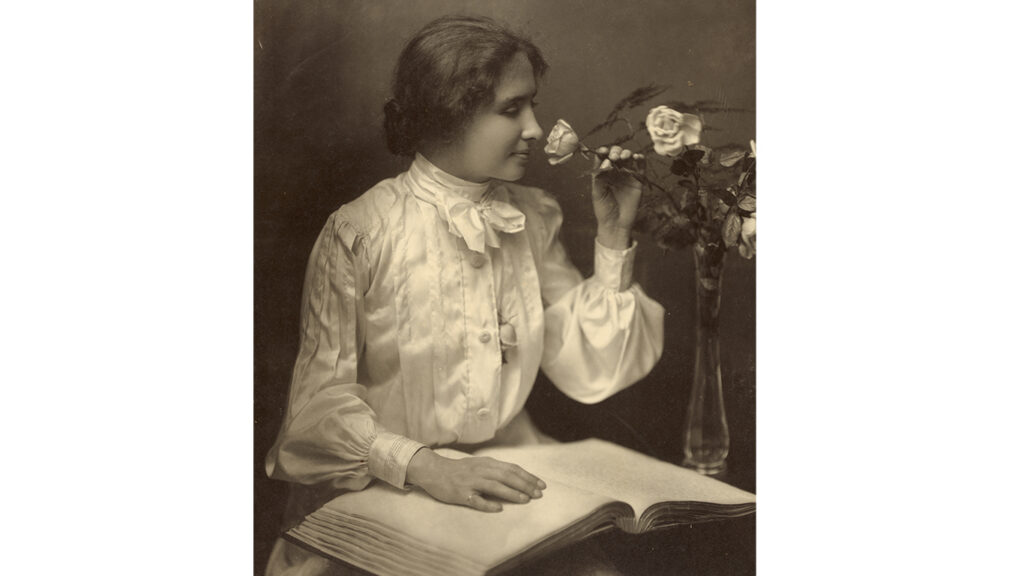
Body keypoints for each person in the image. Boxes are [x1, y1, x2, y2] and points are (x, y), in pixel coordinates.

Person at [264, 15, 665, 576]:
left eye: (533, 106)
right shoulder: (360, 231)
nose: (535, 127)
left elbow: (586, 364)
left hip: (510, 475)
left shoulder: (530, 215)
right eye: (511, 109)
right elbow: (314, 415)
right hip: (385, 487)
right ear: (446, 112)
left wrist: (615, 237)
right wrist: (425, 466)